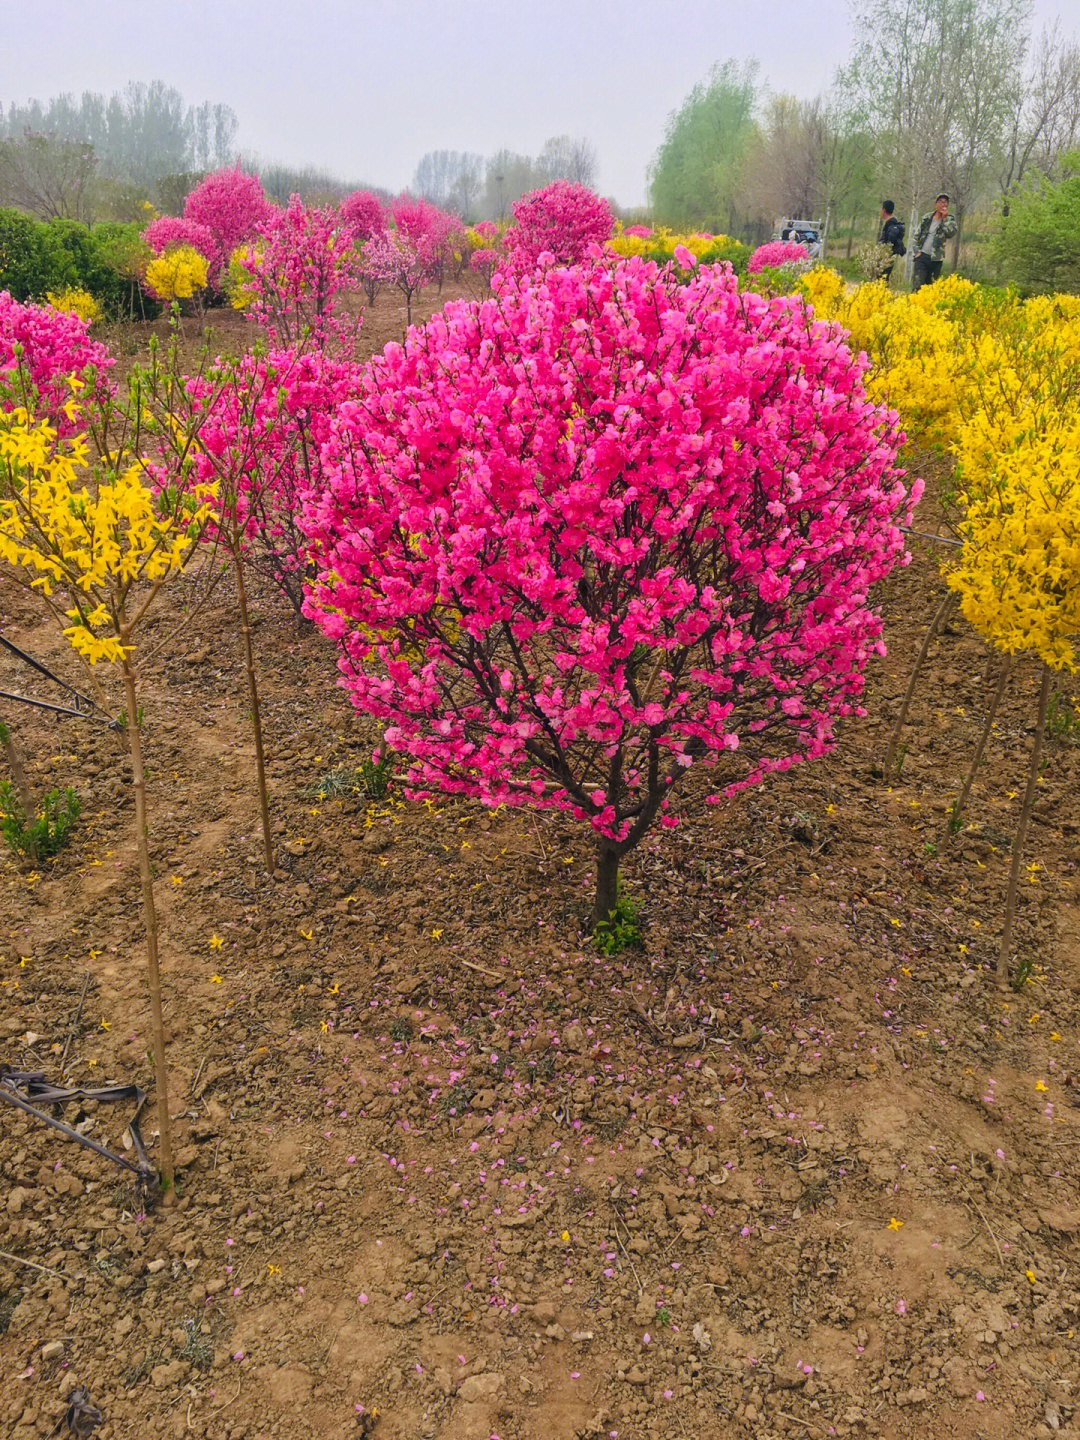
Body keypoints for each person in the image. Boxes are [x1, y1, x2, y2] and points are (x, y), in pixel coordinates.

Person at [911, 192, 957, 290]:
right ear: (936, 204)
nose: (943, 205)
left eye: (945, 203)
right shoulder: (927, 217)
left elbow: (950, 234)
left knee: (931, 287)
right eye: (940, 202)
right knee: (917, 285)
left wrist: (944, 220)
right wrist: (917, 251)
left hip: (936, 259)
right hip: (922, 256)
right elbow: (916, 235)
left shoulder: (950, 220)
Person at [878, 200, 906, 281]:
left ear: (884, 210)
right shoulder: (894, 223)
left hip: (887, 256)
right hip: (890, 256)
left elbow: (888, 243)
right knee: (884, 278)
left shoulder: (890, 224)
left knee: (882, 278)